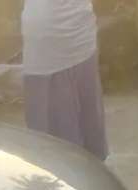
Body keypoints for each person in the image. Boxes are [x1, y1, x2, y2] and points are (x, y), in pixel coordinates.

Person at [21, 0, 108, 159]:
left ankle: (84, 175)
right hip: (46, 44)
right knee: (51, 136)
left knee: (81, 131)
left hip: (74, 39)